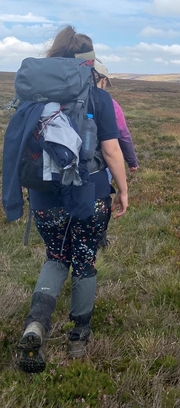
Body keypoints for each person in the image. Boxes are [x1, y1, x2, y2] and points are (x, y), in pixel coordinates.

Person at [18, 25, 128, 373]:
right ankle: (78, 337)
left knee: (55, 257)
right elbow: (111, 150)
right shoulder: (99, 98)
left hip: (43, 195)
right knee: (83, 261)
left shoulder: (34, 97)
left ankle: (36, 324)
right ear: (89, 62)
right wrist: (123, 190)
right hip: (90, 194)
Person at [94, 61, 138, 247]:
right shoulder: (109, 104)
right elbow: (123, 136)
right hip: (98, 166)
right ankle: (99, 238)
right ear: (103, 80)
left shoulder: (58, 99)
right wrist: (131, 161)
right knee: (100, 200)